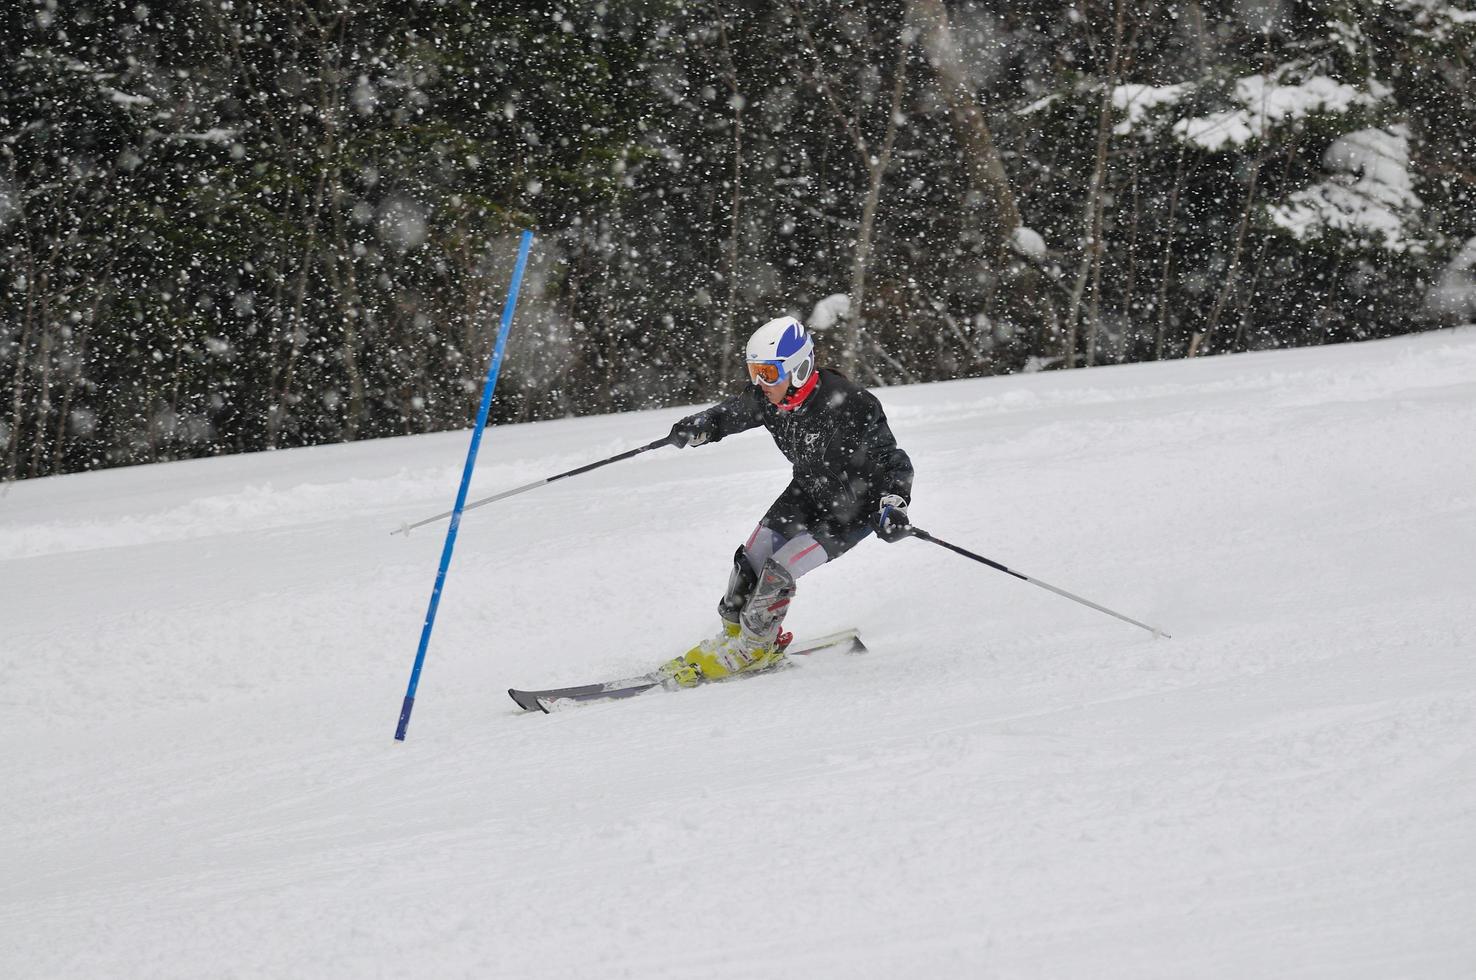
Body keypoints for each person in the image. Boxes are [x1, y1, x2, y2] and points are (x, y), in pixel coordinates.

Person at [656, 314, 914, 687]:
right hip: (806, 492)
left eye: (769, 373)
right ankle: (733, 637)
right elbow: (730, 413)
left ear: (799, 368)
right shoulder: (769, 399)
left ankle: (755, 646)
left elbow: (895, 462)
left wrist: (893, 506)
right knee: (752, 559)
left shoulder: (851, 403)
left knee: (779, 569)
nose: (761, 383)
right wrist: (700, 425)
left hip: (853, 509)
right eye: (754, 372)